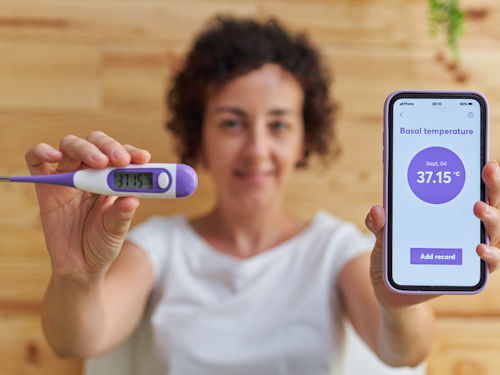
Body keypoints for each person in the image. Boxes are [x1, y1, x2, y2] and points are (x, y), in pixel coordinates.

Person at [26, 17, 500, 374]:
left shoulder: (336, 250)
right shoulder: (159, 248)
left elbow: (405, 353)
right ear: (200, 136)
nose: (257, 150)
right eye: (232, 122)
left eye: (278, 124)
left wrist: (399, 303)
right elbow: (75, 341)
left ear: (303, 139)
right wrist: (75, 275)